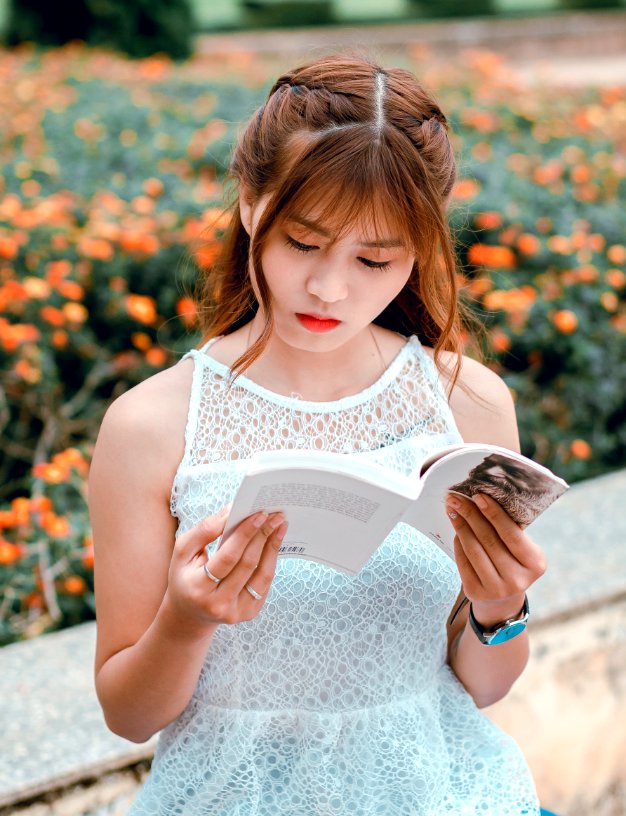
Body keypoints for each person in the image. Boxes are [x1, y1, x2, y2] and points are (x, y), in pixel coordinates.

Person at [89, 53, 549, 815]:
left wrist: (500, 609)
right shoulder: (152, 425)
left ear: (421, 249)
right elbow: (128, 715)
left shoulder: (468, 405)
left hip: (450, 793)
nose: (331, 289)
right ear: (250, 204)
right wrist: (187, 618)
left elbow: (485, 689)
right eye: (303, 243)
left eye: (375, 259)